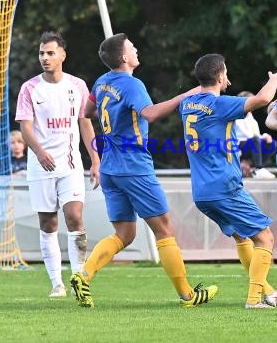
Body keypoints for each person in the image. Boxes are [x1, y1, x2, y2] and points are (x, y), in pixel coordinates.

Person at [70, 33, 217, 309]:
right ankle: (187, 295)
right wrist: (187, 95)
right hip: (134, 166)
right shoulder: (132, 84)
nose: (136, 49)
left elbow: (86, 111)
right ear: (124, 57)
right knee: (165, 230)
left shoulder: (102, 82)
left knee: (125, 233)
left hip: (111, 168)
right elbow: (149, 114)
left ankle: (84, 275)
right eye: (132, 47)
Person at [179, 53, 277, 308]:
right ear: (219, 76)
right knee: (265, 238)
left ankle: (266, 291)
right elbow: (261, 99)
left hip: (202, 191)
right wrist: (276, 80)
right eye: (225, 72)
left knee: (242, 237)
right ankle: (254, 299)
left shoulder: (188, 105)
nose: (227, 76)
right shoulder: (219, 104)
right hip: (224, 186)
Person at [15, 31, 100, 298]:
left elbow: (86, 123)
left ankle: (79, 278)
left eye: (50, 53)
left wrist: (95, 159)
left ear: (63, 54)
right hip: (41, 167)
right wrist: (39, 152)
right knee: (49, 223)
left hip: (70, 165)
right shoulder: (30, 88)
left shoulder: (77, 86)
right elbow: (25, 126)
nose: (45, 58)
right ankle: (56, 283)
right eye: (42, 53)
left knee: (75, 217)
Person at [234, 91, 277, 179]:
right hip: (237, 146)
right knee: (255, 139)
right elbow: (247, 136)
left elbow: (255, 135)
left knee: (271, 143)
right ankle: (259, 168)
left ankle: (257, 170)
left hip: (251, 144)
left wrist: (264, 136)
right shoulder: (236, 116)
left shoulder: (251, 118)